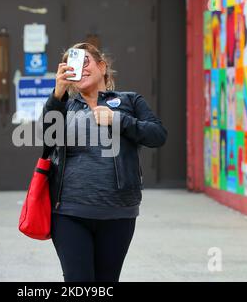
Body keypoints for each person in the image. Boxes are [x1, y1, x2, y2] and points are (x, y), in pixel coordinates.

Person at [41, 43, 168, 282]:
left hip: (118, 211)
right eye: (72, 64)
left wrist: (118, 119)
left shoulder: (130, 101)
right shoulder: (64, 105)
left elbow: (157, 135)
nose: (80, 68)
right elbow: (47, 140)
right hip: (69, 211)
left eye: (85, 61)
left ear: (102, 66)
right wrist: (56, 95)